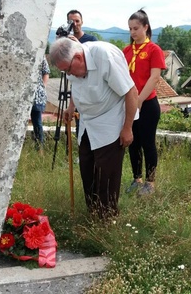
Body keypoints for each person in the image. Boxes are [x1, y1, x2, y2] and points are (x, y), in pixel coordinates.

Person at [50, 38, 138, 219]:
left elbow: (131, 91)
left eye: (67, 69)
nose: (68, 74)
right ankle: (93, 213)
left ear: (78, 58)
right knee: (87, 167)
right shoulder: (72, 65)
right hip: (88, 123)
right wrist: (71, 107)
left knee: (106, 173)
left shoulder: (105, 56)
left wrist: (127, 128)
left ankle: (108, 218)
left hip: (111, 121)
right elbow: (76, 85)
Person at [123, 9, 167, 196]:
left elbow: (154, 77)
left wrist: (139, 100)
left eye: (136, 28)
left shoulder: (153, 50)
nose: (133, 32)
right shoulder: (126, 51)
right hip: (130, 102)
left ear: (146, 27)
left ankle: (150, 182)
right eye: (130, 29)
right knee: (132, 142)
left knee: (147, 142)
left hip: (147, 103)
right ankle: (136, 178)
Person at [65, 10, 98, 138]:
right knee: (80, 128)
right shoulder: (66, 41)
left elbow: (95, 62)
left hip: (91, 91)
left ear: (82, 22)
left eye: (77, 21)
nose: (75, 24)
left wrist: (78, 45)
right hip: (77, 88)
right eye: (71, 21)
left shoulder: (91, 40)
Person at [30, 56, 50, 152]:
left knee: (37, 123)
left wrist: (43, 86)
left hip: (36, 94)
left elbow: (46, 72)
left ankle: (39, 149)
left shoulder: (40, 55)